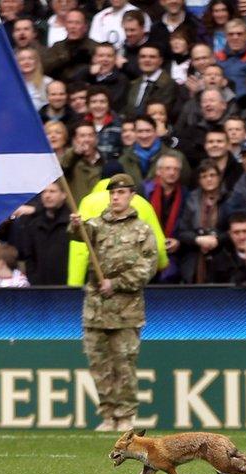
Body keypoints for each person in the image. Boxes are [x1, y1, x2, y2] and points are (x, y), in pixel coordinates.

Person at [68, 174, 158, 432]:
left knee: (125, 363)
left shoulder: (142, 229)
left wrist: (116, 283)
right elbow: (78, 234)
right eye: (113, 193)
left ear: (131, 195)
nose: (116, 197)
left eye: (121, 193)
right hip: (96, 309)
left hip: (126, 309)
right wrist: (76, 224)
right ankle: (108, 414)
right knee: (99, 364)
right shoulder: (97, 225)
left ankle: (126, 414)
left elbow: (147, 267)